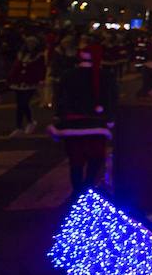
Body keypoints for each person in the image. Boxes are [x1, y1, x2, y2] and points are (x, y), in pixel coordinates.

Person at [49, 44, 116, 196]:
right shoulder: (106, 76)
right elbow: (112, 99)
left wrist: (60, 116)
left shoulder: (68, 75)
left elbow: (60, 99)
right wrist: (111, 118)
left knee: (76, 162)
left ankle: (78, 190)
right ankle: (87, 188)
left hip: (72, 126)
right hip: (97, 126)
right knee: (96, 160)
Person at [7, 35, 46, 136]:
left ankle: (30, 122)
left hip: (31, 82)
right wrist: (10, 79)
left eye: (32, 43)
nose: (30, 45)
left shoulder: (39, 56)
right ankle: (19, 127)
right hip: (19, 83)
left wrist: (41, 79)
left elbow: (41, 68)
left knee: (24, 102)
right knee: (20, 105)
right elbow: (16, 68)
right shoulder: (21, 55)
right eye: (28, 43)